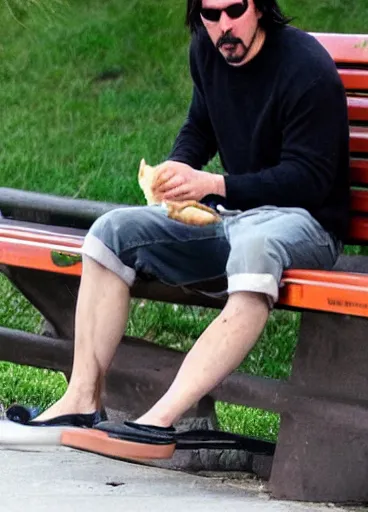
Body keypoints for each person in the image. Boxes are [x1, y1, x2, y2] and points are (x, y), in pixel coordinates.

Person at [10, 0, 350, 447]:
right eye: (211, 15)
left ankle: (159, 421)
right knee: (112, 233)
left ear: (261, 8)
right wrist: (175, 171)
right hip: (235, 216)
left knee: (255, 248)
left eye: (235, 10)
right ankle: (81, 400)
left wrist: (212, 182)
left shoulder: (305, 67)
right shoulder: (207, 52)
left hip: (306, 223)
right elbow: (200, 127)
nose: (224, 26)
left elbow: (309, 181)